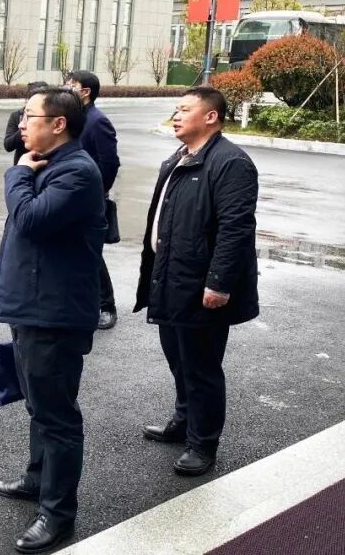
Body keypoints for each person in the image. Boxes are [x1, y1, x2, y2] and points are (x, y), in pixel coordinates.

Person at [0, 87, 107, 554]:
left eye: (29, 116)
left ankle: (57, 514)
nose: (21, 124)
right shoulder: (47, 164)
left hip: (54, 313)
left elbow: (31, 220)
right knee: (38, 406)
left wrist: (17, 174)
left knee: (57, 415)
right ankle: (37, 480)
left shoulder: (77, 172)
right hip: (32, 306)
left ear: (59, 124)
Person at [136, 86, 259, 477]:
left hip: (200, 282)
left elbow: (235, 230)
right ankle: (183, 419)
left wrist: (218, 283)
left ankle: (203, 443)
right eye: (176, 108)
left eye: (185, 109)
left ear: (211, 117)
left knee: (201, 366)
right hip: (172, 275)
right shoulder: (180, 157)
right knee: (178, 358)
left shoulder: (230, 163)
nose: (176, 115)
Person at [68, 71, 121, 330]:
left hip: (89, 199)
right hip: (70, 196)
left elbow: (110, 162)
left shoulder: (98, 121)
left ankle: (106, 306)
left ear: (86, 92)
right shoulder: (75, 117)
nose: (67, 88)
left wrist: (97, 192)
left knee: (91, 254)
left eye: (72, 85)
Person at [3, 81, 49, 166]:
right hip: (23, 164)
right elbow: (8, 145)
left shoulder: (52, 116)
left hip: (47, 163)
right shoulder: (17, 116)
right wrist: (24, 127)